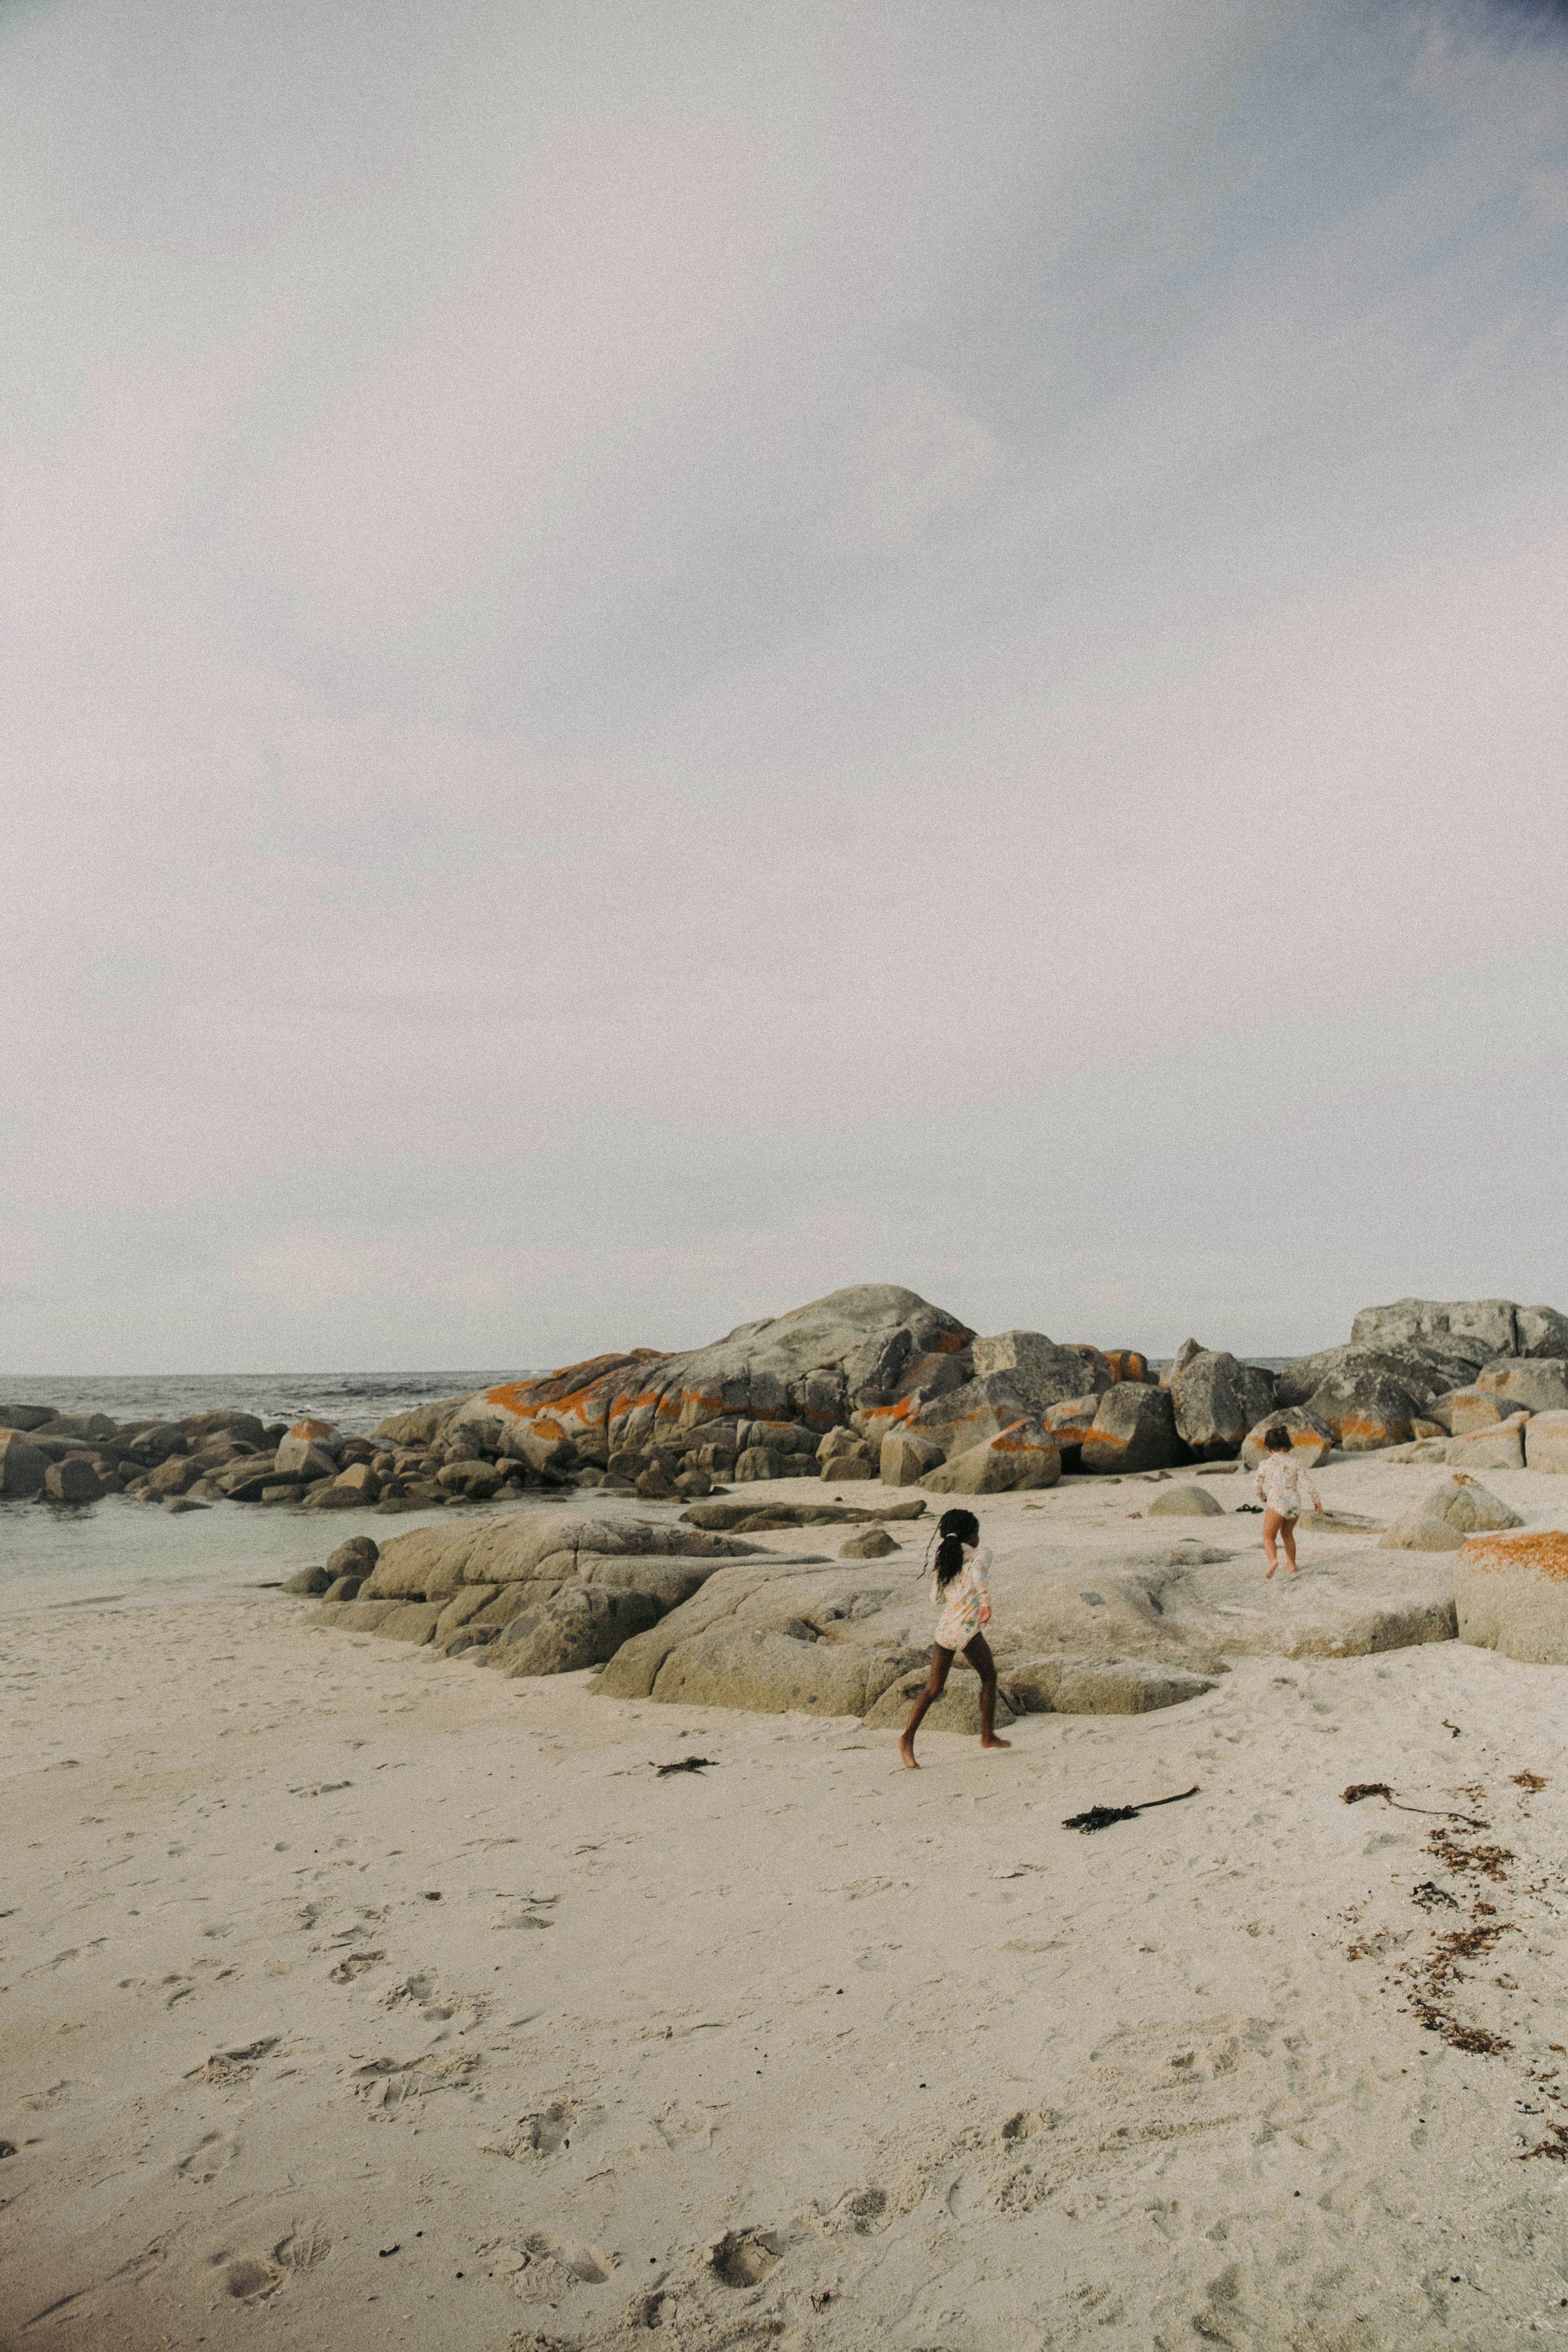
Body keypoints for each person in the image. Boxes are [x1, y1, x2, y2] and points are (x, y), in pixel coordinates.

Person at [898, 1507, 1011, 1769]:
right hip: (967, 1630)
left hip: (945, 1628)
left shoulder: (944, 1558)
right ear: (972, 1535)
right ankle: (987, 1736)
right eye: (977, 1533)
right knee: (989, 1676)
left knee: (933, 1689)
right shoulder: (981, 1554)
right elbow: (978, 1577)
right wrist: (985, 1604)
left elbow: (935, 1599)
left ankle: (907, 1738)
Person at [1252, 1424, 1322, 1577]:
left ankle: (1273, 1561)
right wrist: (1316, 1500)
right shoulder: (1295, 1463)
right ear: (1288, 1446)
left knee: (1268, 1536)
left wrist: (1264, 1498)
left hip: (1277, 1503)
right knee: (1288, 1534)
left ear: (1267, 1448)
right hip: (1294, 1504)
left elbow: (1257, 1488)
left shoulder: (1264, 1465)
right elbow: (1307, 1483)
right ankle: (1291, 1564)